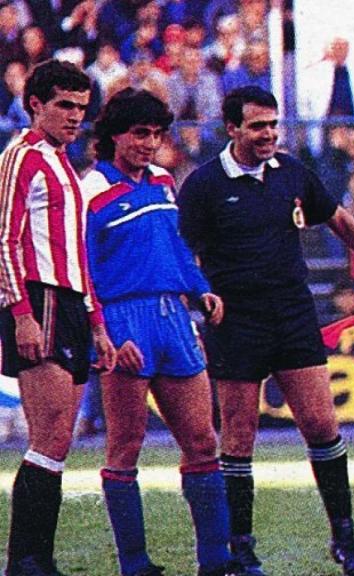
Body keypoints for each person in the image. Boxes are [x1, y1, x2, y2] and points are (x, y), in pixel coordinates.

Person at [177, 85, 354, 576]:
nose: (268, 134)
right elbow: (183, 252)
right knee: (239, 436)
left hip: (292, 314)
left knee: (320, 424)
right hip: (236, 320)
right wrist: (198, 295)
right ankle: (242, 548)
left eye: (273, 124)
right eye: (257, 126)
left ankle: (345, 536)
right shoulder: (204, 185)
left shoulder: (291, 172)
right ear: (232, 129)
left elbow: (340, 220)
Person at [81, 87, 236, 576]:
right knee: (126, 445)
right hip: (124, 320)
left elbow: (175, 247)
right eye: (139, 134)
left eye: (156, 134)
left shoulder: (164, 181)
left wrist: (200, 288)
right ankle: (135, 564)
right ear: (113, 137)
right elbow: (81, 269)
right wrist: (101, 333)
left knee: (202, 439)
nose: (149, 143)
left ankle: (215, 561)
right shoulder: (91, 189)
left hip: (173, 318)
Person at [0, 58, 117, 576]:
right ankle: (25, 560)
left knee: (60, 436)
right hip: (40, 299)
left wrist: (96, 324)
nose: (74, 117)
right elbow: (3, 239)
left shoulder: (66, 165)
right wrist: (20, 314)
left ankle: (36, 558)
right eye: (64, 106)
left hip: (71, 303)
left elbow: (77, 253)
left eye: (81, 108)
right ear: (35, 106)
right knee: (48, 432)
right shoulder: (21, 156)